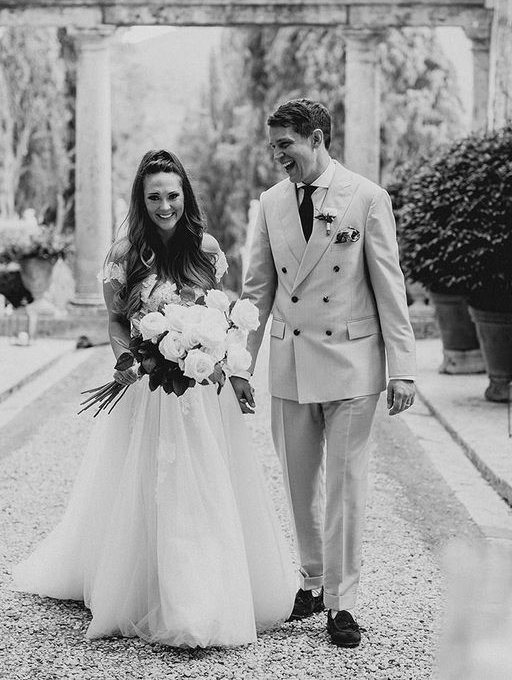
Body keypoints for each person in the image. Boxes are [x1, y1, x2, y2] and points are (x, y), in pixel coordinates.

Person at [12, 149, 295, 647]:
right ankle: (144, 588)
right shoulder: (124, 256)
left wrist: (232, 368)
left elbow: (217, 319)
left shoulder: (205, 251)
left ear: (185, 196)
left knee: (204, 483)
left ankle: (204, 592)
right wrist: (125, 360)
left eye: (172, 195)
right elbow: (117, 322)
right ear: (141, 202)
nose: (165, 206)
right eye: (154, 198)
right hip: (146, 389)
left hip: (201, 391)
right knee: (148, 484)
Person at [230, 99, 417, 648]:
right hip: (289, 364)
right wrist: (240, 363)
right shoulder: (269, 203)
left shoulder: (366, 197)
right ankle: (312, 582)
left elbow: (390, 286)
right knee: (297, 482)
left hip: (352, 365)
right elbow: (256, 290)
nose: (276, 156)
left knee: (345, 487)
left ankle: (343, 602)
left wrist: (402, 369)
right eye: (273, 146)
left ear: (316, 139)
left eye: (284, 144)